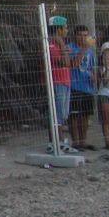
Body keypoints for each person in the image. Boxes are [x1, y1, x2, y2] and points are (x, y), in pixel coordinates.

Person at [46, 16, 80, 154]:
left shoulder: (61, 44)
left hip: (65, 81)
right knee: (57, 114)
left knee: (63, 114)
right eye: (65, 27)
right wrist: (62, 45)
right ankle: (56, 142)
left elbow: (72, 63)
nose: (67, 30)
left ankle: (60, 141)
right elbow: (65, 62)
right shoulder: (53, 45)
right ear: (59, 29)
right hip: (57, 82)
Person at [68, 24, 98, 150]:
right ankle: (75, 142)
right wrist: (84, 49)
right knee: (74, 116)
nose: (83, 38)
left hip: (87, 87)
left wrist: (94, 77)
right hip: (74, 86)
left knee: (85, 115)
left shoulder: (91, 50)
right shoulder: (70, 48)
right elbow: (73, 64)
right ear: (75, 36)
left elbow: (92, 67)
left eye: (86, 35)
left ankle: (83, 141)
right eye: (80, 35)